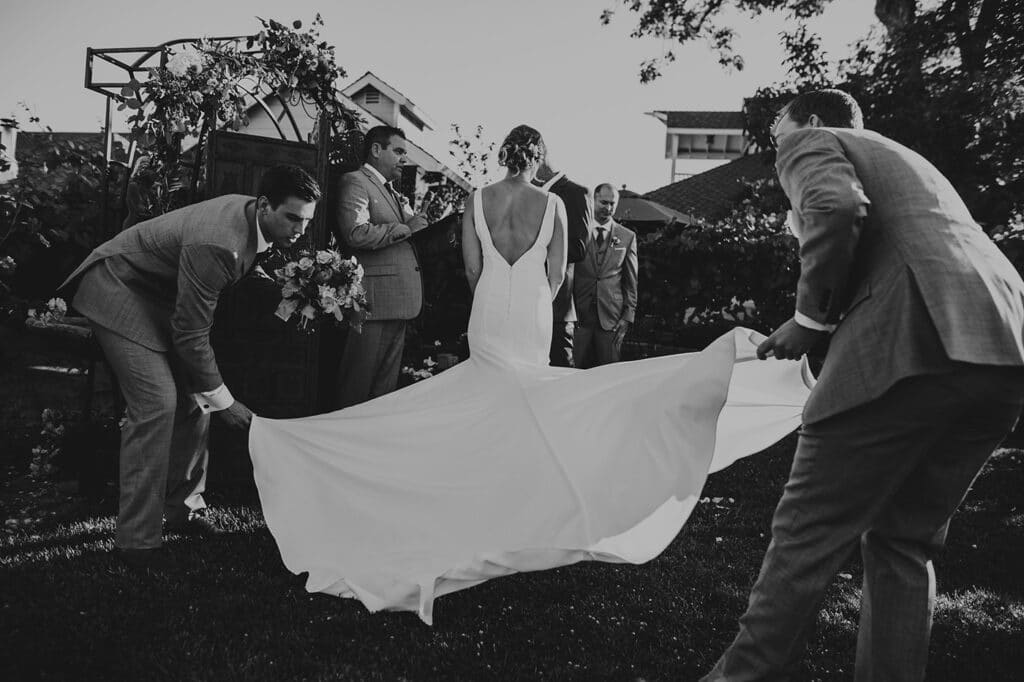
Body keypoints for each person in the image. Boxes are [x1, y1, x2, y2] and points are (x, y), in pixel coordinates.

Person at [248, 125, 812, 624]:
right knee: (528, 398)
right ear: (536, 158)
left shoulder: (477, 199)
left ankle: (472, 480)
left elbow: (470, 265)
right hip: (533, 309)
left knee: (482, 392)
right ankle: (518, 492)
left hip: (490, 304)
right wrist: (534, 300)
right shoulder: (555, 204)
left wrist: (491, 292)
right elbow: (558, 274)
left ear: (502, 156)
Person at [701, 89, 1024, 681]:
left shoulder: (813, 143)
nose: (777, 141)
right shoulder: (909, 162)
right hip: (1001, 349)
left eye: (779, 128)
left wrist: (809, 321)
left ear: (814, 120)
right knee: (904, 542)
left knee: (805, 534)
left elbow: (835, 206)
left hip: (907, 344)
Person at [60, 165, 321, 570]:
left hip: (159, 301)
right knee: (158, 405)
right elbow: (190, 334)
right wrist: (227, 403)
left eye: (307, 221)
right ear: (265, 205)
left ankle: (184, 511)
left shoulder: (253, 219)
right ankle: (137, 542)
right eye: (292, 218)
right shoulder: (221, 243)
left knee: (196, 401)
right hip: (118, 289)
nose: (300, 231)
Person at [333, 125, 430, 408]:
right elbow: (355, 233)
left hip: (398, 300)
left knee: (383, 392)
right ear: (376, 150)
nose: (404, 159)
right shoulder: (355, 181)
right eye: (398, 151)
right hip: (373, 303)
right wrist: (404, 228)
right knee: (357, 388)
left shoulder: (392, 191)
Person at [533, 146, 591, 367]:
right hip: (526, 300)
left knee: (559, 377)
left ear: (541, 158)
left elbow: (579, 249)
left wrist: (535, 250)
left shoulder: (576, 193)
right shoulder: (527, 194)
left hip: (558, 307)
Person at [573, 183, 638, 368]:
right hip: (579, 314)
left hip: (612, 317)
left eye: (612, 204)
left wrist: (627, 316)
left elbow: (631, 280)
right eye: (603, 202)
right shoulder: (578, 231)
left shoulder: (627, 237)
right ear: (593, 199)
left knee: (609, 370)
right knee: (570, 369)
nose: (608, 208)